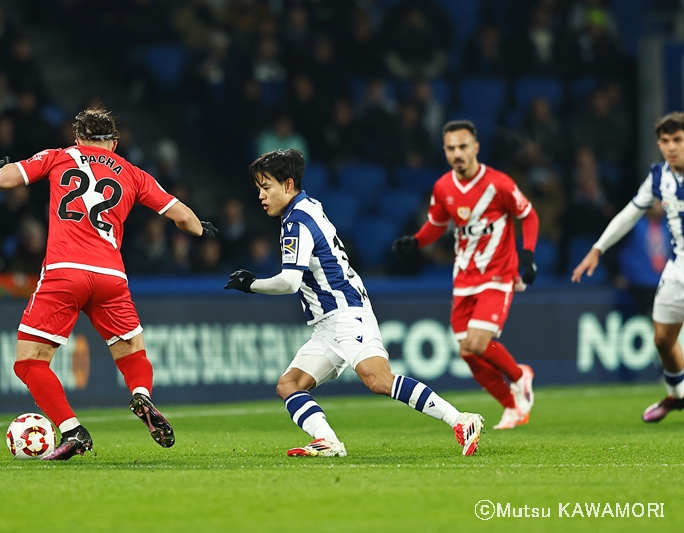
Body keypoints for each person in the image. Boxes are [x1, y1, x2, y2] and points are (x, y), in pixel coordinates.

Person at [224, 149, 484, 457]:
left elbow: (290, 281)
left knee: (378, 379)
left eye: (266, 187)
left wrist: (251, 284)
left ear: (288, 185)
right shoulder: (307, 207)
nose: (261, 196)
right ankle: (328, 441)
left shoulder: (297, 221)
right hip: (328, 323)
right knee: (289, 384)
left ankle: (462, 420)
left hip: (345, 313)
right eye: (258, 189)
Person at [0, 107, 218, 460]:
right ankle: (141, 393)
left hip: (64, 271)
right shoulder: (133, 173)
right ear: (114, 141)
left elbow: (4, 181)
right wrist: (202, 230)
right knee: (132, 352)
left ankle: (72, 429)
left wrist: (3, 168)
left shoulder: (58, 157)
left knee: (29, 362)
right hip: (111, 276)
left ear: (77, 138)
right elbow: (184, 217)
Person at [392, 120, 539, 430]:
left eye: (462, 147)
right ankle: (512, 405)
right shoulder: (444, 187)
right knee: (467, 352)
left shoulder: (498, 184)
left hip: (498, 274)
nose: (457, 153)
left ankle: (519, 375)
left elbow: (528, 214)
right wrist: (416, 240)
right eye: (451, 148)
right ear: (445, 151)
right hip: (464, 277)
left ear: (476, 148)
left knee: (477, 341)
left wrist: (528, 254)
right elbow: (436, 224)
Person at [572, 112, 684, 423]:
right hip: (677, 269)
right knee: (662, 339)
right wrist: (597, 248)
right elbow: (629, 214)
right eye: (665, 141)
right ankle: (678, 397)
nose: (671, 147)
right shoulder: (659, 177)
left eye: (678, 140)